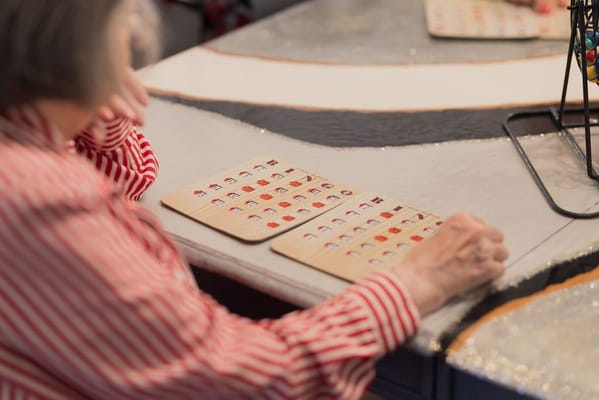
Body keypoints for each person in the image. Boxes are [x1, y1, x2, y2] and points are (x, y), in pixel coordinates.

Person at [0, 0, 508, 399]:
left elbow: (129, 179)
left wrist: (85, 105)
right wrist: (415, 282)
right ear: (74, 35)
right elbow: (245, 382)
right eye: (122, 15)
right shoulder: (39, 201)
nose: (132, 36)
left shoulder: (27, 135)